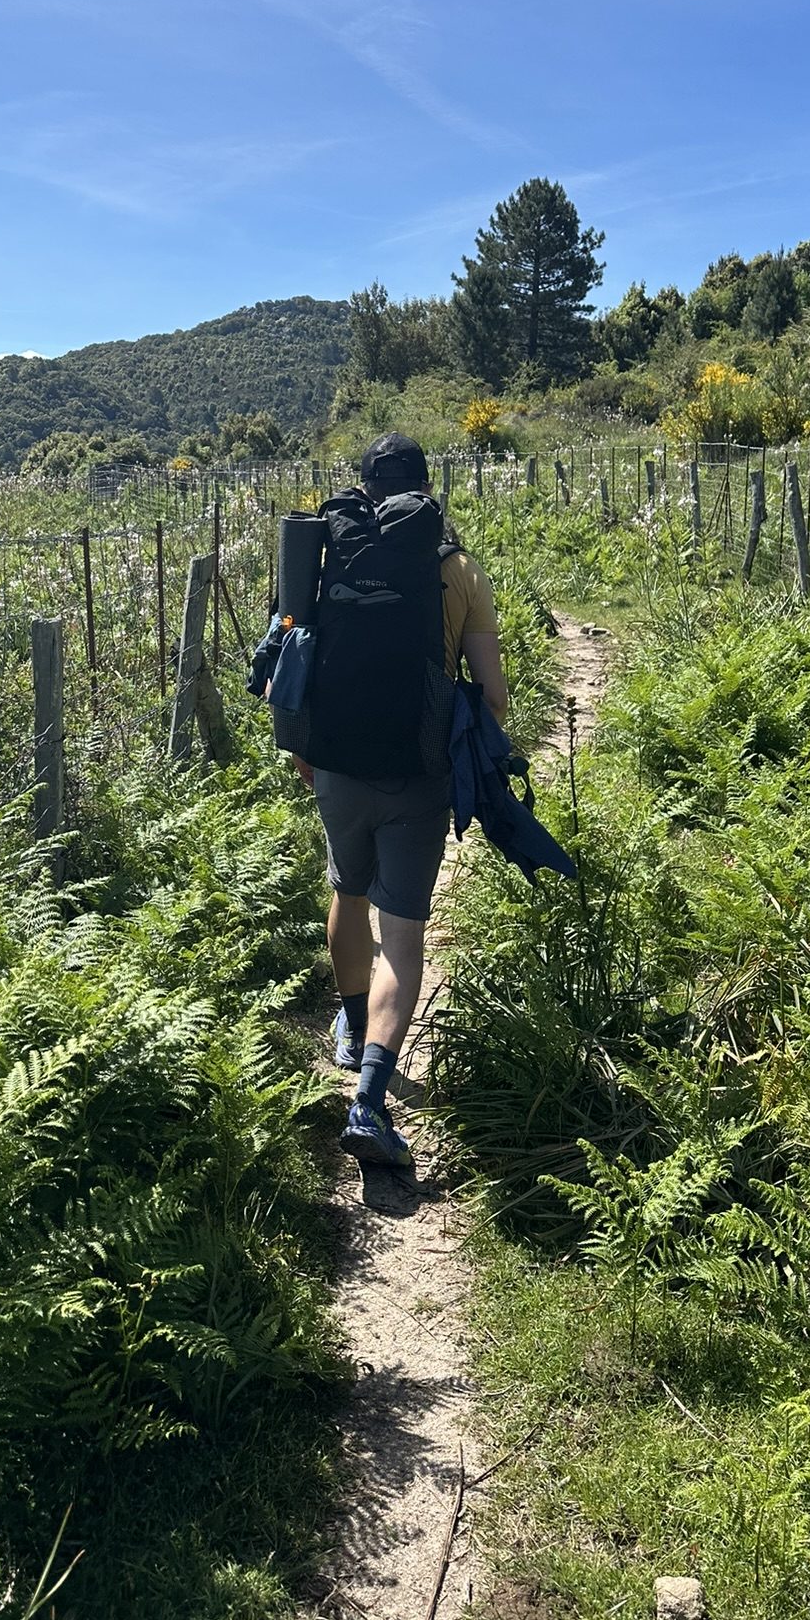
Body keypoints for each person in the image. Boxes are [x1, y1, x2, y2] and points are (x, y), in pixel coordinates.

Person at [292, 433, 508, 1171]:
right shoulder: (458, 569)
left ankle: (351, 1033)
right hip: (417, 774)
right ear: (424, 487)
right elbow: (495, 695)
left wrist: (307, 751)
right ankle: (370, 1103)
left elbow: (295, 654)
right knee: (404, 937)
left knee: (346, 891)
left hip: (336, 764)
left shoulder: (329, 556)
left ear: (364, 486)